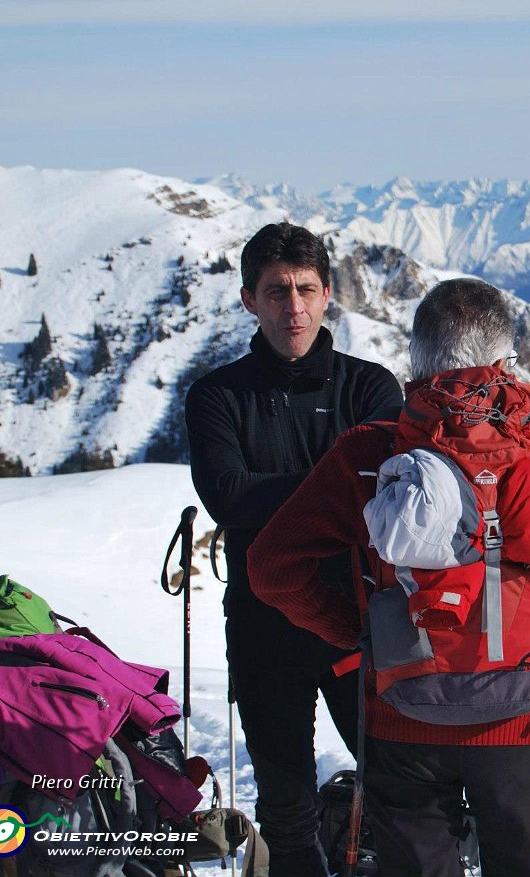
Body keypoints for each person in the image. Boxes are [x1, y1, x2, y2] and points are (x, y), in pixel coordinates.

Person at [246, 277, 530, 877]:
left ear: (415, 362)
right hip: (522, 716)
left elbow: (272, 568)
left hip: (405, 714)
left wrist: (358, 631)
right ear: (505, 362)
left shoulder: (369, 451)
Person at [185, 222, 403, 877]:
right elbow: (227, 496)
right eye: (277, 291)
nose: (294, 307)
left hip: (356, 621)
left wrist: (279, 497)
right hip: (263, 623)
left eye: (306, 288)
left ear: (329, 293)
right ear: (249, 299)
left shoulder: (370, 388)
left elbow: (386, 499)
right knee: (284, 806)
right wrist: (338, 486)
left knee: (397, 788)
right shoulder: (218, 396)